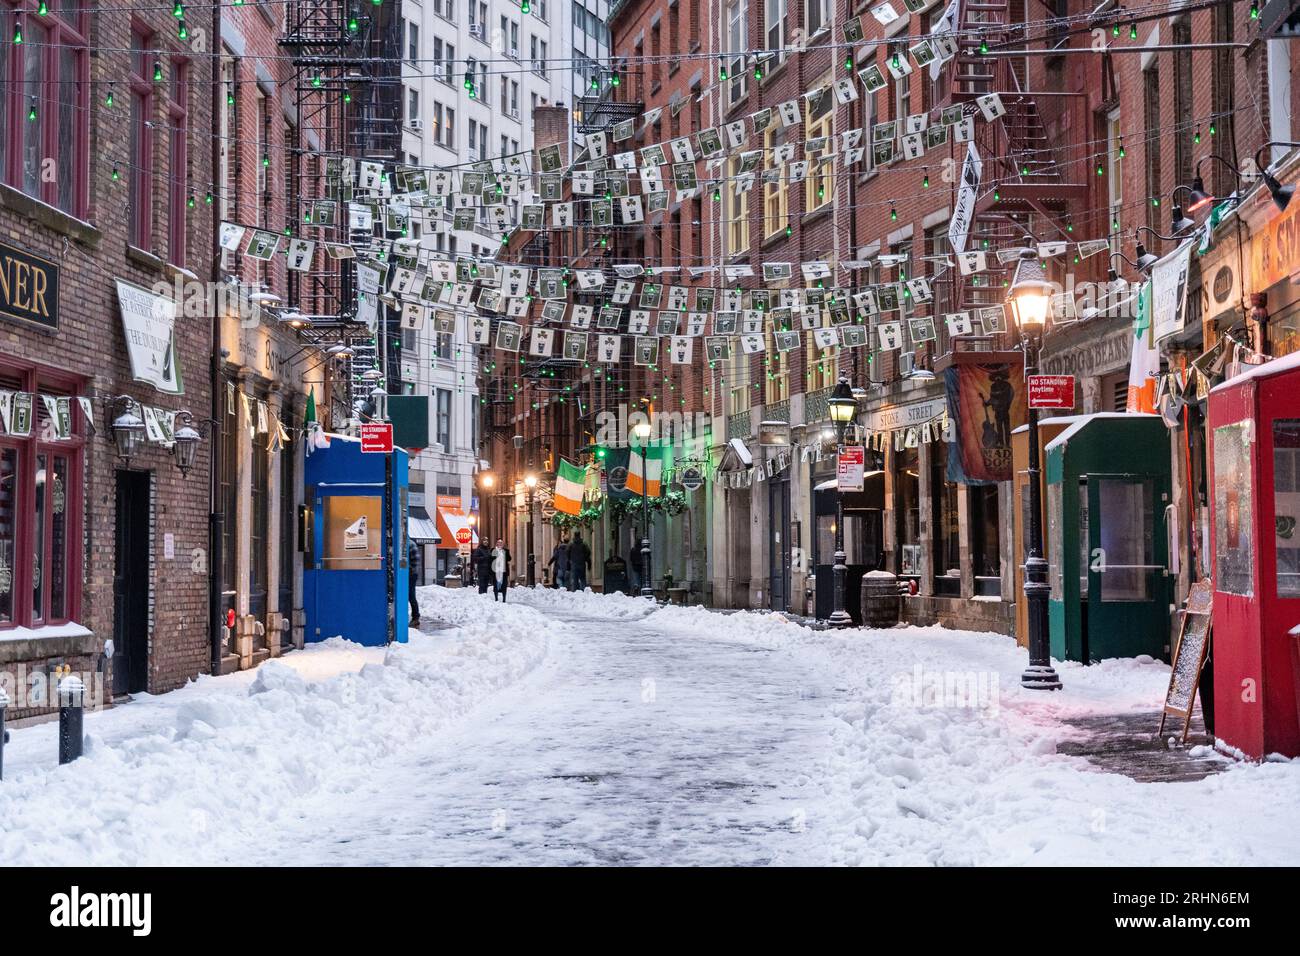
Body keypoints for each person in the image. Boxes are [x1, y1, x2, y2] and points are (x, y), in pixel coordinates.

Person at [491, 538, 512, 602]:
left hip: (504, 571)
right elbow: (491, 559)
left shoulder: (506, 551)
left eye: (501, 543)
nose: (500, 544)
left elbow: (509, 559)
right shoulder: (493, 550)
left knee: (504, 585)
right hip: (496, 570)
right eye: (498, 542)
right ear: (496, 543)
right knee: (495, 584)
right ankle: (496, 598)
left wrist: (505, 552)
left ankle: (504, 599)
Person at [407, 539, 421, 627]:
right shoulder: (408, 543)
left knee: (411, 595)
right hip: (409, 573)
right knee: (410, 595)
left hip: (411, 574)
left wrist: (410, 571)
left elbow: (415, 561)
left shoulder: (410, 544)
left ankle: (415, 617)